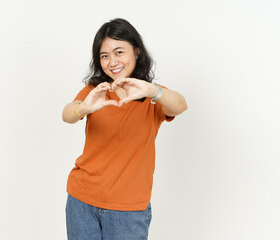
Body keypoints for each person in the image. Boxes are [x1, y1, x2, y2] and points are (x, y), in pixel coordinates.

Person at [62, 18, 187, 240]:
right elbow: (67, 114)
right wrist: (84, 107)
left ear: (136, 51)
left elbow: (180, 105)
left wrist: (153, 90)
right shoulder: (96, 90)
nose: (112, 62)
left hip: (128, 210)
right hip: (82, 201)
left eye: (119, 52)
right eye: (104, 55)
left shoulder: (150, 95)